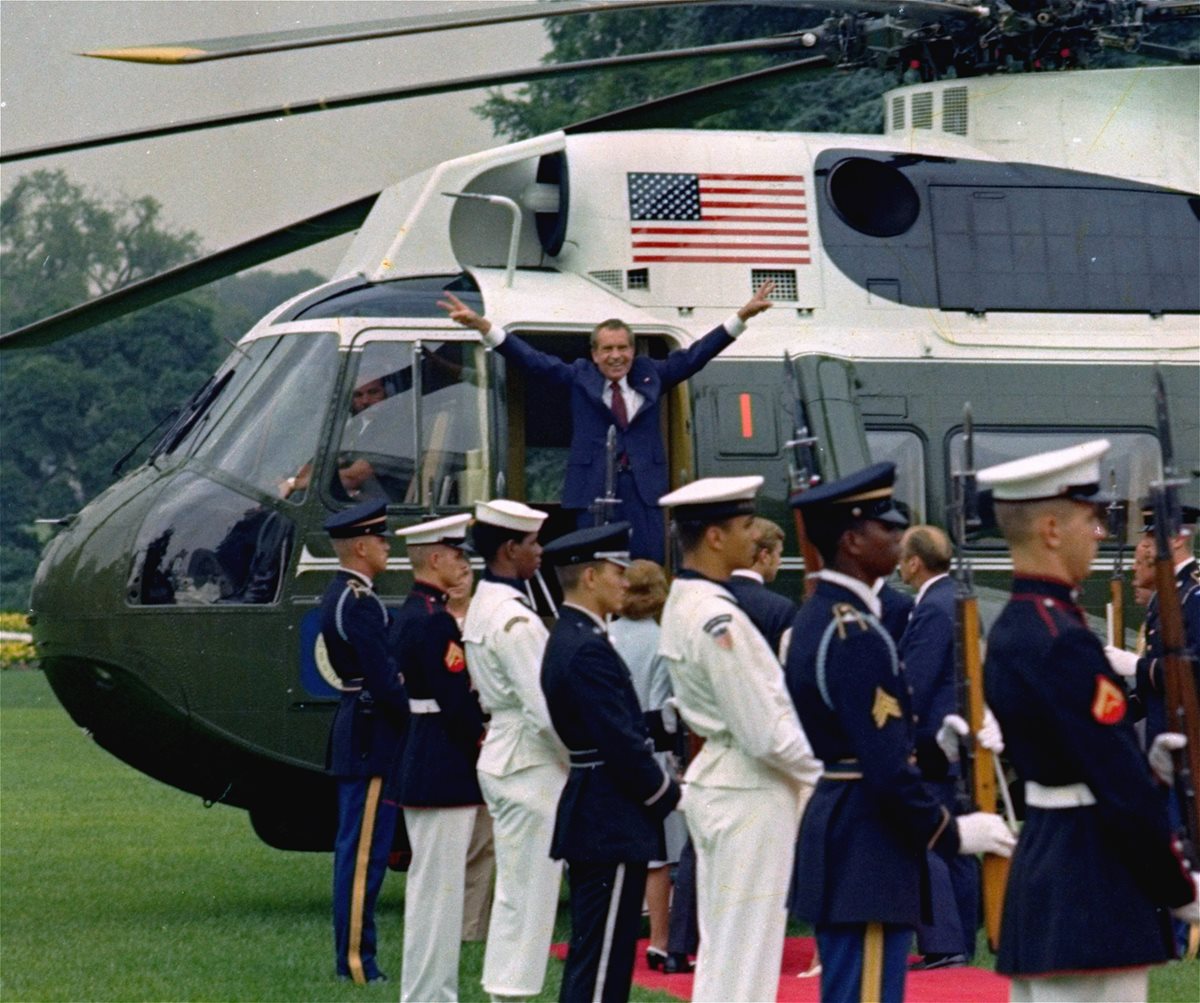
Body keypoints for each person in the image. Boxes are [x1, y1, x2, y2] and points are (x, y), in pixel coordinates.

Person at [785, 462, 1015, 1003]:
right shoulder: (856, 633)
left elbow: (871, 734)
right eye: (884, 527)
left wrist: (939, 741)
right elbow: (885, 767)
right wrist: (954, 834)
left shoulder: (826, 617)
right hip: (868, 838)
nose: (896, 536)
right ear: (851, 541)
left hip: (849, 824)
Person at [979, 440, 1198, 1002]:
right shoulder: (1062, 640)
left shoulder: (1013, 628)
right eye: (1091, 518)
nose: (1100, 534)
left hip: (1047, 868)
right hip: (1094, 882)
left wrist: (1141, 763)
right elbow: (1118, 789)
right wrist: (1180, 888)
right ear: (1052, 529)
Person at [438, 282, 777, 563]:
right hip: (594, 492)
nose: (616, 356)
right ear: (595, 354)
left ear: (632, 350)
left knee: (646, 567)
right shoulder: (579, 377)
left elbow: (696, 356)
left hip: (644, 494)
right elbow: (533, 361)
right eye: (607, 349)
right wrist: (484, 327)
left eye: (623, 348)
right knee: (596, 567)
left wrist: (741, 317)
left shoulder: (651, 375)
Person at [656, 476, 822, 1003]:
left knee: (726, 949)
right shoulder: (717, 616)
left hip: (725, 782)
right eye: (745, 525)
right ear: (714, 537)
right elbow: (764, 730)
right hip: (748, 788)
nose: (755, 538)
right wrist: (819, 775)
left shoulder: (688, 602)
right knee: (746, 954)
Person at [539, 522, 681, 1002]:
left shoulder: (574, 637)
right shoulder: (586, 648)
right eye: (616, 572)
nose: (626, 582)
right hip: (610, 814)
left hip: (599, 807)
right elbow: (619, 741)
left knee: (601, 953)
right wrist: (668, 795)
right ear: (591, 578)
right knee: (602, 962)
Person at [461, 499, 567, 1001]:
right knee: (530, 894)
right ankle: (511, 991)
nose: (540, 551)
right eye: (532, 543)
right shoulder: (515, 622)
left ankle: (505, 989)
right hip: (529, 762)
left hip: (506, 752)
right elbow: (546, 711)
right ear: (510, 549)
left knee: (517, 891)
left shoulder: (487, 603)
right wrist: (581, 760)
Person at [393, 513, 488, 1003]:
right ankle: (432, 995)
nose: (462, 561)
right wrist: (485, 741)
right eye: (455, 554)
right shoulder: (434, 623)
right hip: (443, 762)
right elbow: (456, 703)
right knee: (440, 893)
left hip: (423, 755)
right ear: (434, 559)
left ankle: (428, 991)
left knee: (432, 890)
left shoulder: (412, 613)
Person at [319, 499, 409, 985]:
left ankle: (356, 959)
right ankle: (357, 964)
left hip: (362, 728)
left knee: (360, 851)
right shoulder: (359, 603)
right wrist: (414, 715)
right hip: (372, 733)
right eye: (379, 539)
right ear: (359, 546)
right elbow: (384, 680)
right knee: (362, 858)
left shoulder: (344, 595)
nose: (386, 546)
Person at [896, 524, 984, 969]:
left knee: (930, 839)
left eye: (902, 555)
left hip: (933, 742)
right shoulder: (956, 598)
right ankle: (960, 939)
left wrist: (902, 739)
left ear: (915, 561)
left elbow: (915, 680)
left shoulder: (931, 607)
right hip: (958, 738)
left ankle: (944, 941)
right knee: (958, 844)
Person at [608, 560, 687, 974]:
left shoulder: (605, 635)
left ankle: (616, 937)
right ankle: (658, 942)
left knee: (617, 848)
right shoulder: (661, 640)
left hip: (609, 751)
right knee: (658, 856)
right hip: (651, 750)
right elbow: (665, 713)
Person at [723, 516, 798, 661]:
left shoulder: (711, 594)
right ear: (764, 556)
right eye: (778, 554)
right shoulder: (781, 609)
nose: (780, 561)